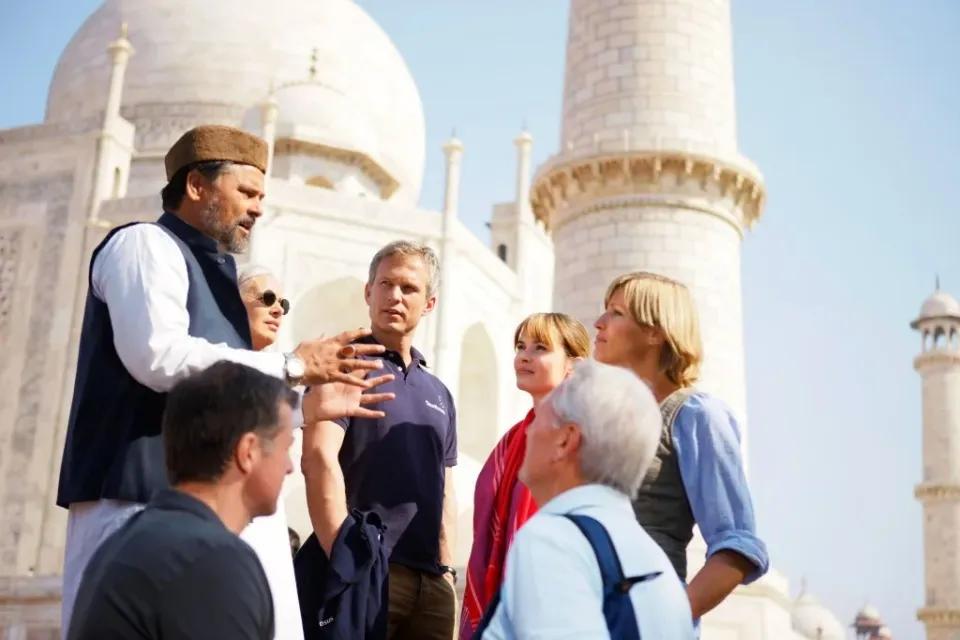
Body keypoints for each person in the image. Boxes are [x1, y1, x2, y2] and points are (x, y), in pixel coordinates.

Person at [56, 124, 388, 635]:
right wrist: (291, 367)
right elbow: (157, 355)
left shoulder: (218, 276)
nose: (257, 208)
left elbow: (217, 397)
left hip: (202, 516)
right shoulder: (145, 244)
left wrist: (305, 407)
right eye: (247, 193)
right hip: (132, 504)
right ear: (196, 185)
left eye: (262, 197)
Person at [68, 361, 385, 640]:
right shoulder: (210, 559)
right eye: (285, 446)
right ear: (248, 452)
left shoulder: (126, 540)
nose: (289, 466)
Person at [301, 240, 458, 640]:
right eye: (386, 284)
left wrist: (446, 571)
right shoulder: (344, 366)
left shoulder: (439, 393)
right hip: (368, 570)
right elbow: (318, 458)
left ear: (429, 303)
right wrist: (345, 558)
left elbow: (445, 489)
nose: (395, 296)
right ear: (368, 291)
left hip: (431, 586)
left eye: (409, 288)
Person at [593, 271, 769, 620]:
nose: (599, 322)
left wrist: (667, 617)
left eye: (616, 313)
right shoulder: (608, 422)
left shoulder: (696, 416)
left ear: (655, 332)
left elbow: (737, 546)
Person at [478, 360, 694, 639]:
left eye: (539, 418)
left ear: (565, 440)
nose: (529, 431)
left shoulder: (553, 539)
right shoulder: (660, 567)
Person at [459, 313, 589, 639]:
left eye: (540, 348)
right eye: (521, 346)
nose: (525, 356)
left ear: (573, 366)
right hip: (503, 603)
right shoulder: (511, 444)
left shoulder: (583, 438)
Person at [238, 264, 302, 640]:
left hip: (267, 531)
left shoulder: (277, 379)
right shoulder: (209, 369)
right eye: (266, 299)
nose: (278, 309)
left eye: (284, 304)